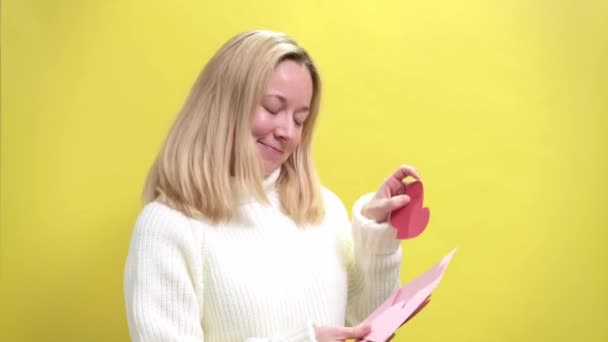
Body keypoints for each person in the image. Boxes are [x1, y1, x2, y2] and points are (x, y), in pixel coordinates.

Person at [124, 30, 421, 342]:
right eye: (272, 107)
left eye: (299, 119)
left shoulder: (321, 209)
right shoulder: (168, 227)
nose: (287, 132)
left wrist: (376, 240)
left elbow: (364, 325)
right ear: (224, 104)